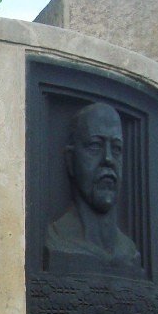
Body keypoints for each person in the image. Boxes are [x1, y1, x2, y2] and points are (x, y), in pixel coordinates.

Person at [45, 101, 141, 275]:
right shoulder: (55, 240)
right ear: (70, 160)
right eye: (95, 146)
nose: (108, 159)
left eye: (117, 148)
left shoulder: (129, 251)